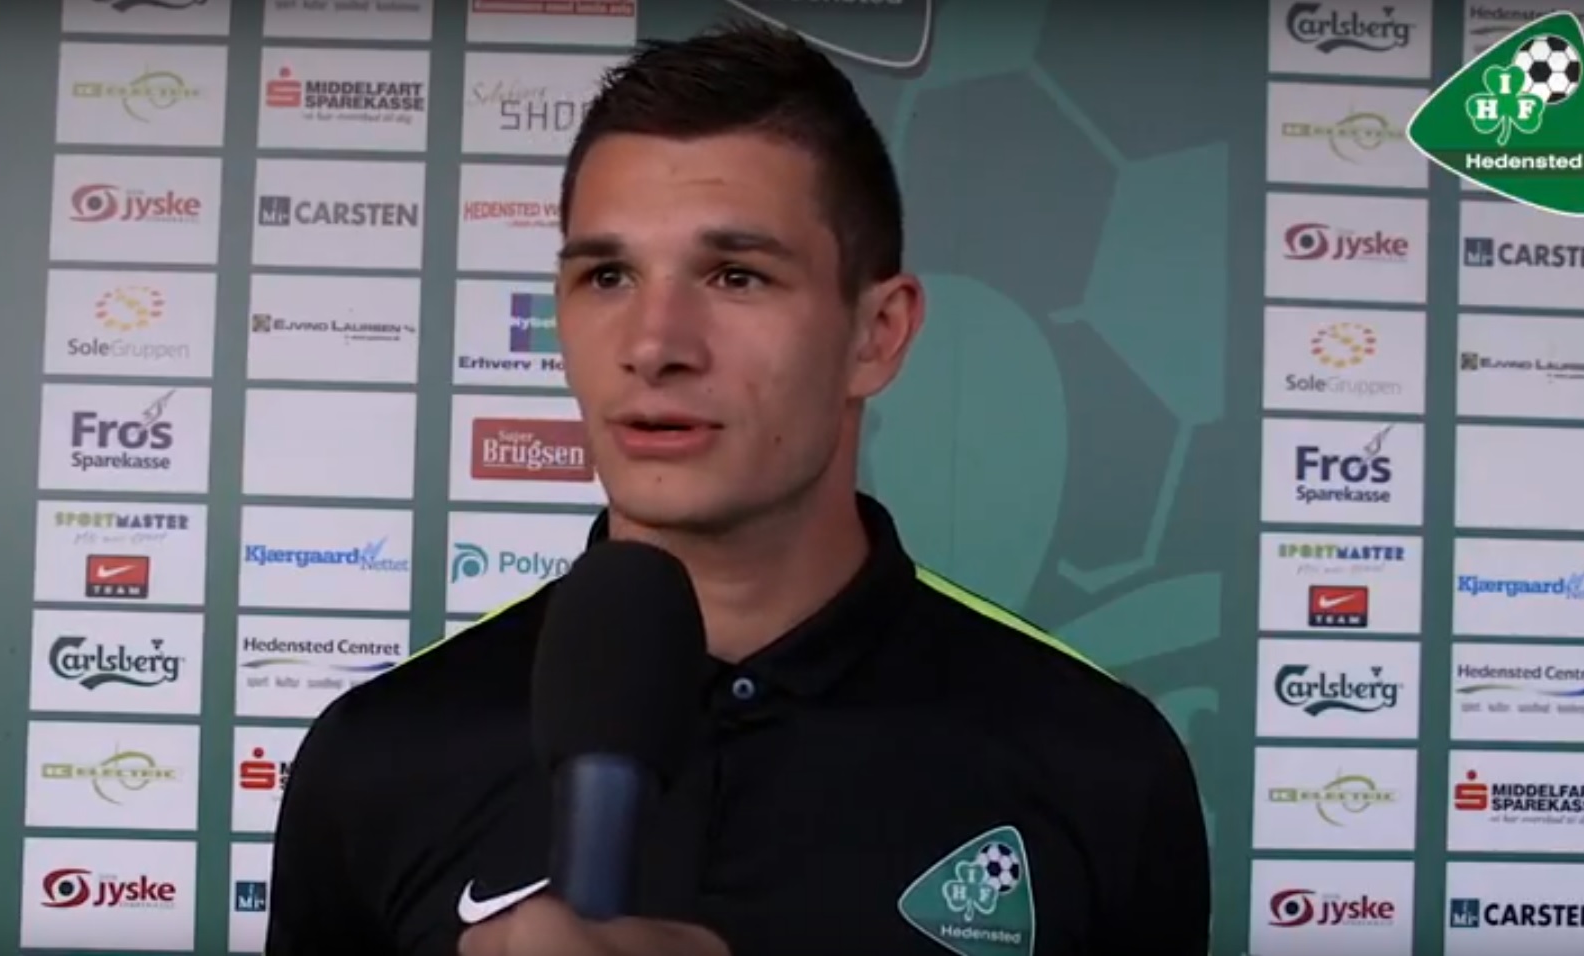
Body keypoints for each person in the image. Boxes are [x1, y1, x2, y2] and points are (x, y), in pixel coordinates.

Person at [265, 20, 1210, 956]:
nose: (653, 346)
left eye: (735, 275)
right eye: (608, 275)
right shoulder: (380, 755)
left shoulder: (1099, 763)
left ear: (877, 334)